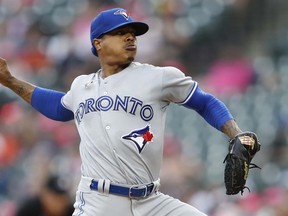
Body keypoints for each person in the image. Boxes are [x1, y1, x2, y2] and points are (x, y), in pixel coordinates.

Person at [0, 7, 255, 216]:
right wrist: (10, 81)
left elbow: (205, 102)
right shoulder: (81, 86)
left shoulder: (159, 77)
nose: (130, 37)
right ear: (98, 43)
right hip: (98, 203)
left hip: (152, 202)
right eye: (120, 33)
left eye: (132, 32)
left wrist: (236, 134)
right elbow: (58, 107)